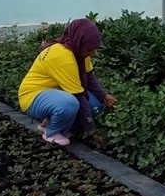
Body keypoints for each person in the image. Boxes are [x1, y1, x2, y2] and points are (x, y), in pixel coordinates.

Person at [18, 18, 116, 147]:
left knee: (97, 103)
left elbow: (89, 76)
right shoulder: (63, 56)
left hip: (55, 95)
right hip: (32, 97)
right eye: (90, 50)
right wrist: (92, 131)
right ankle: (51, 133)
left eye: (94, 49)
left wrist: (103, 95)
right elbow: (78, 96)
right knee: (70, 103)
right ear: (79, 42)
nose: (92, 54)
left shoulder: (79, 51)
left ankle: (50, 123)